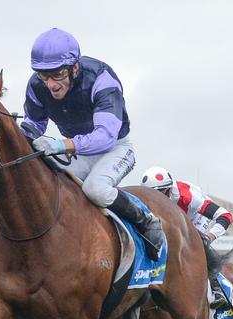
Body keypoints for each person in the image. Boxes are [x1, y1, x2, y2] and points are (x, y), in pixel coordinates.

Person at [21, 28, 163, 260]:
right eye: (43, 75)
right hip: (76, 152)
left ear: (74, 68)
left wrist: (59, 145)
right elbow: (34, 123)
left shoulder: (101, 79)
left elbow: (105, 136)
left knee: (96, 190)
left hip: (115, 148)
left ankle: (144, 219)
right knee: (45, 186)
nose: (51, 85)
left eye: (57, 74)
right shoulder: (37, 85)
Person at [140, 166, 233, 306]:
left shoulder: (188, 197)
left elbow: (225, 216)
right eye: (151, 196)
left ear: (170, 191)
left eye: (159, 195)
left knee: (199, 242)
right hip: (176, 221)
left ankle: (216, 288)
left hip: (199, 220)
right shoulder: (146, 199)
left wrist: (209, 237)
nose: (155, 201)